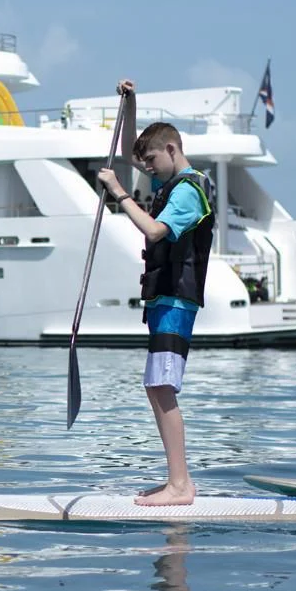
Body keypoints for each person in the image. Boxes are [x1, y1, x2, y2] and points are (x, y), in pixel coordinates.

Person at [97, 81, 216, 506]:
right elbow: (133, 146)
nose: (146, 167)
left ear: (172, 149)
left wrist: (119, 193)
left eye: (151, 161)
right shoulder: (171, 183)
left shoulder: (188, 190)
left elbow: (153, 230)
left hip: (177, 300)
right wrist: (130, 104)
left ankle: (181, 486)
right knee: (156, 386)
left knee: (162, 386)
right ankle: (177, 481)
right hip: (165, 298)